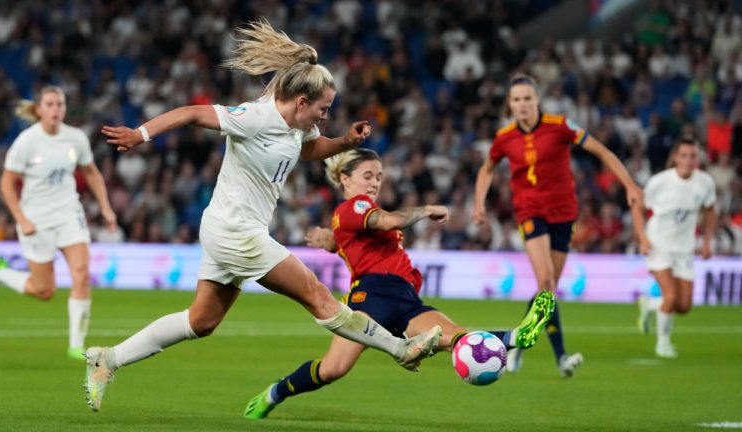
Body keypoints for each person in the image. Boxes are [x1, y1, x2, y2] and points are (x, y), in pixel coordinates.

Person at [83, 19, 441, 412]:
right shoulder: (255, 117)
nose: (325, 116)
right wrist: (141, 134)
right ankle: (400, 348)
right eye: (323, 109)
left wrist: (345, 142)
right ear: (301, 102)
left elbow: (310, 148)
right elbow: (190, 113)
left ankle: (107, 359)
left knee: (201, 321)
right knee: (320, 297)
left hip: (230, 229)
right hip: (236, 232)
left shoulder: (295, 128)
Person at [243, 148, 556, 419]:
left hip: (404, 297)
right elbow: (387, 221)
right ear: (345, 179)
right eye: (368, 175)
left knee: (454, 336)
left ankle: (518, 335)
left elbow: (349, 241)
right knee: (332, 369)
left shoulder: (351, 217)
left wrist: (330, 241)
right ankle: (275, 393)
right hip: (372, 297)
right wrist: (426, 210)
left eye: (379, 176)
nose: (375, 182)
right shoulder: (355, 207)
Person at [471, 74, 644, 378]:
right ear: (510, 105)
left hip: (564, 213)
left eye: (527, 98)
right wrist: (479, 203)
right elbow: (486, 170)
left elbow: (601, 151)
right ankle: (562, 356)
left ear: (536, 100)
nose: (522, 105)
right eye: (516, 100)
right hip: (530, 212)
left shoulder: (560, 125)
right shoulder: (505, 138)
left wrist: (629, 184)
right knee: (547, 281)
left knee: (545, 290)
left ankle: (518, 344)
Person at [0, 86, 118, 361]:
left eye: (60, 104)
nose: (56, 109)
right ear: (39, 109)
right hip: (36, 219)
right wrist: (21, 219)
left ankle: (76, 346)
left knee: (81, 274)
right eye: (50, 104)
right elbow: (7, 184)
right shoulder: (27, 142)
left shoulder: (75, 138)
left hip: (69, 214)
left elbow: (91, 172)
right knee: (43, 291)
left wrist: (106, 207)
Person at [633, 136, 716, 358]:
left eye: (693, 156)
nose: (689, 160)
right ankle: (663, 344)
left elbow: (710, 210)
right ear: (676, 158)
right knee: (670, 296)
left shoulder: (705, 183)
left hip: (685, 248)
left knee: (684, 305)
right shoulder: (660, 182)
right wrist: (642, 238)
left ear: (698, 158)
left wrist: (708, 242)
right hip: (659, 244)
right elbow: (637, 206)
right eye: (684, 156)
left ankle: (650, 305)